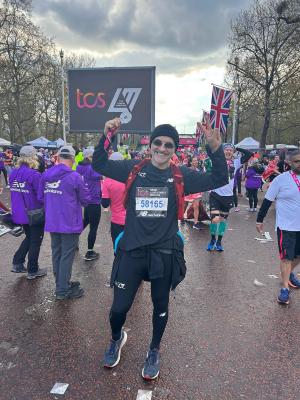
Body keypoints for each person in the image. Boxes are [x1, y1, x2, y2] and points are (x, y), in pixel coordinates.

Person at [92, 116, 228, 380]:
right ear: (151, 144)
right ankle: (116, 338)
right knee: (119, 308)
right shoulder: (133, 168)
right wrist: (106, 135)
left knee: (160, 306)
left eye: (169, 145)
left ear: (174, 149)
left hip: (163, 252)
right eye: (158, 143)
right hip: (132, 250)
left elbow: (219, 177)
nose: (162, 149)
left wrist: (215, 147)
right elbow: (98, 163)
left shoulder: (181, 175)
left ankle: (154, 349)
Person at [38, 145, 91, 300]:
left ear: (58, 157)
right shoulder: (74, 177)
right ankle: (62, 290)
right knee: (66, 255)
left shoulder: (46, 174)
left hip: (53, 221)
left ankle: (61, 282)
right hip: (70, 222)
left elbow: (41, 198)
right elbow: (85, 199)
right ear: (73, 159)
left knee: (57, 253)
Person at [256, 149, 300, 305]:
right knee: (286, 258)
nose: (299, 164)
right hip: (286, 226)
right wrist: (259, 220)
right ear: (289, 163)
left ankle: (288, 273)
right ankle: (285, 289)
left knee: (297, 257)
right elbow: (268, 201)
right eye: (297, 161)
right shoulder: (281, 180)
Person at [9, 145, 47, 279]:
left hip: (19, 213)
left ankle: (17, 262)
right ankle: (33, 270)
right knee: (36, 240)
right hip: (34, 213)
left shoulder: (13, 172)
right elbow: (41, 196)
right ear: (33, 157)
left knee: (30, 237)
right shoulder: (34, 175)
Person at [207, 144, 253, 252]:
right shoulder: (217, 160)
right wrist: (218, 147)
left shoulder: (236, 162)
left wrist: (237, 148)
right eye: (226, 150)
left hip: (227, 196)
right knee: (214, 219)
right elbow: (209, 148)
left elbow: (249, 154)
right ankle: (213, 239)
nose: (228, 152)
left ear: (233, 152)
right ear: (223, 151)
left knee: (223, 220)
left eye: (230, 150)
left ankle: (219, 242)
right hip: (215, 194)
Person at [76, 148, 102, 261]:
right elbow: (102, 175)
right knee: (93, 227)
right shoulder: (92, 168)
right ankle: (90, 252)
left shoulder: (79, 167)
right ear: (89, 157)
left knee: (85, 221)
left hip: (86, 200)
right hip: (94, 200)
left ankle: (72, 240)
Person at [101, 152, 126, 247]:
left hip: (117, 221)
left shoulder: (107, 181)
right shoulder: (130, 178)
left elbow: (105, 204)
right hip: (131, 221)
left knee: (117, 248)